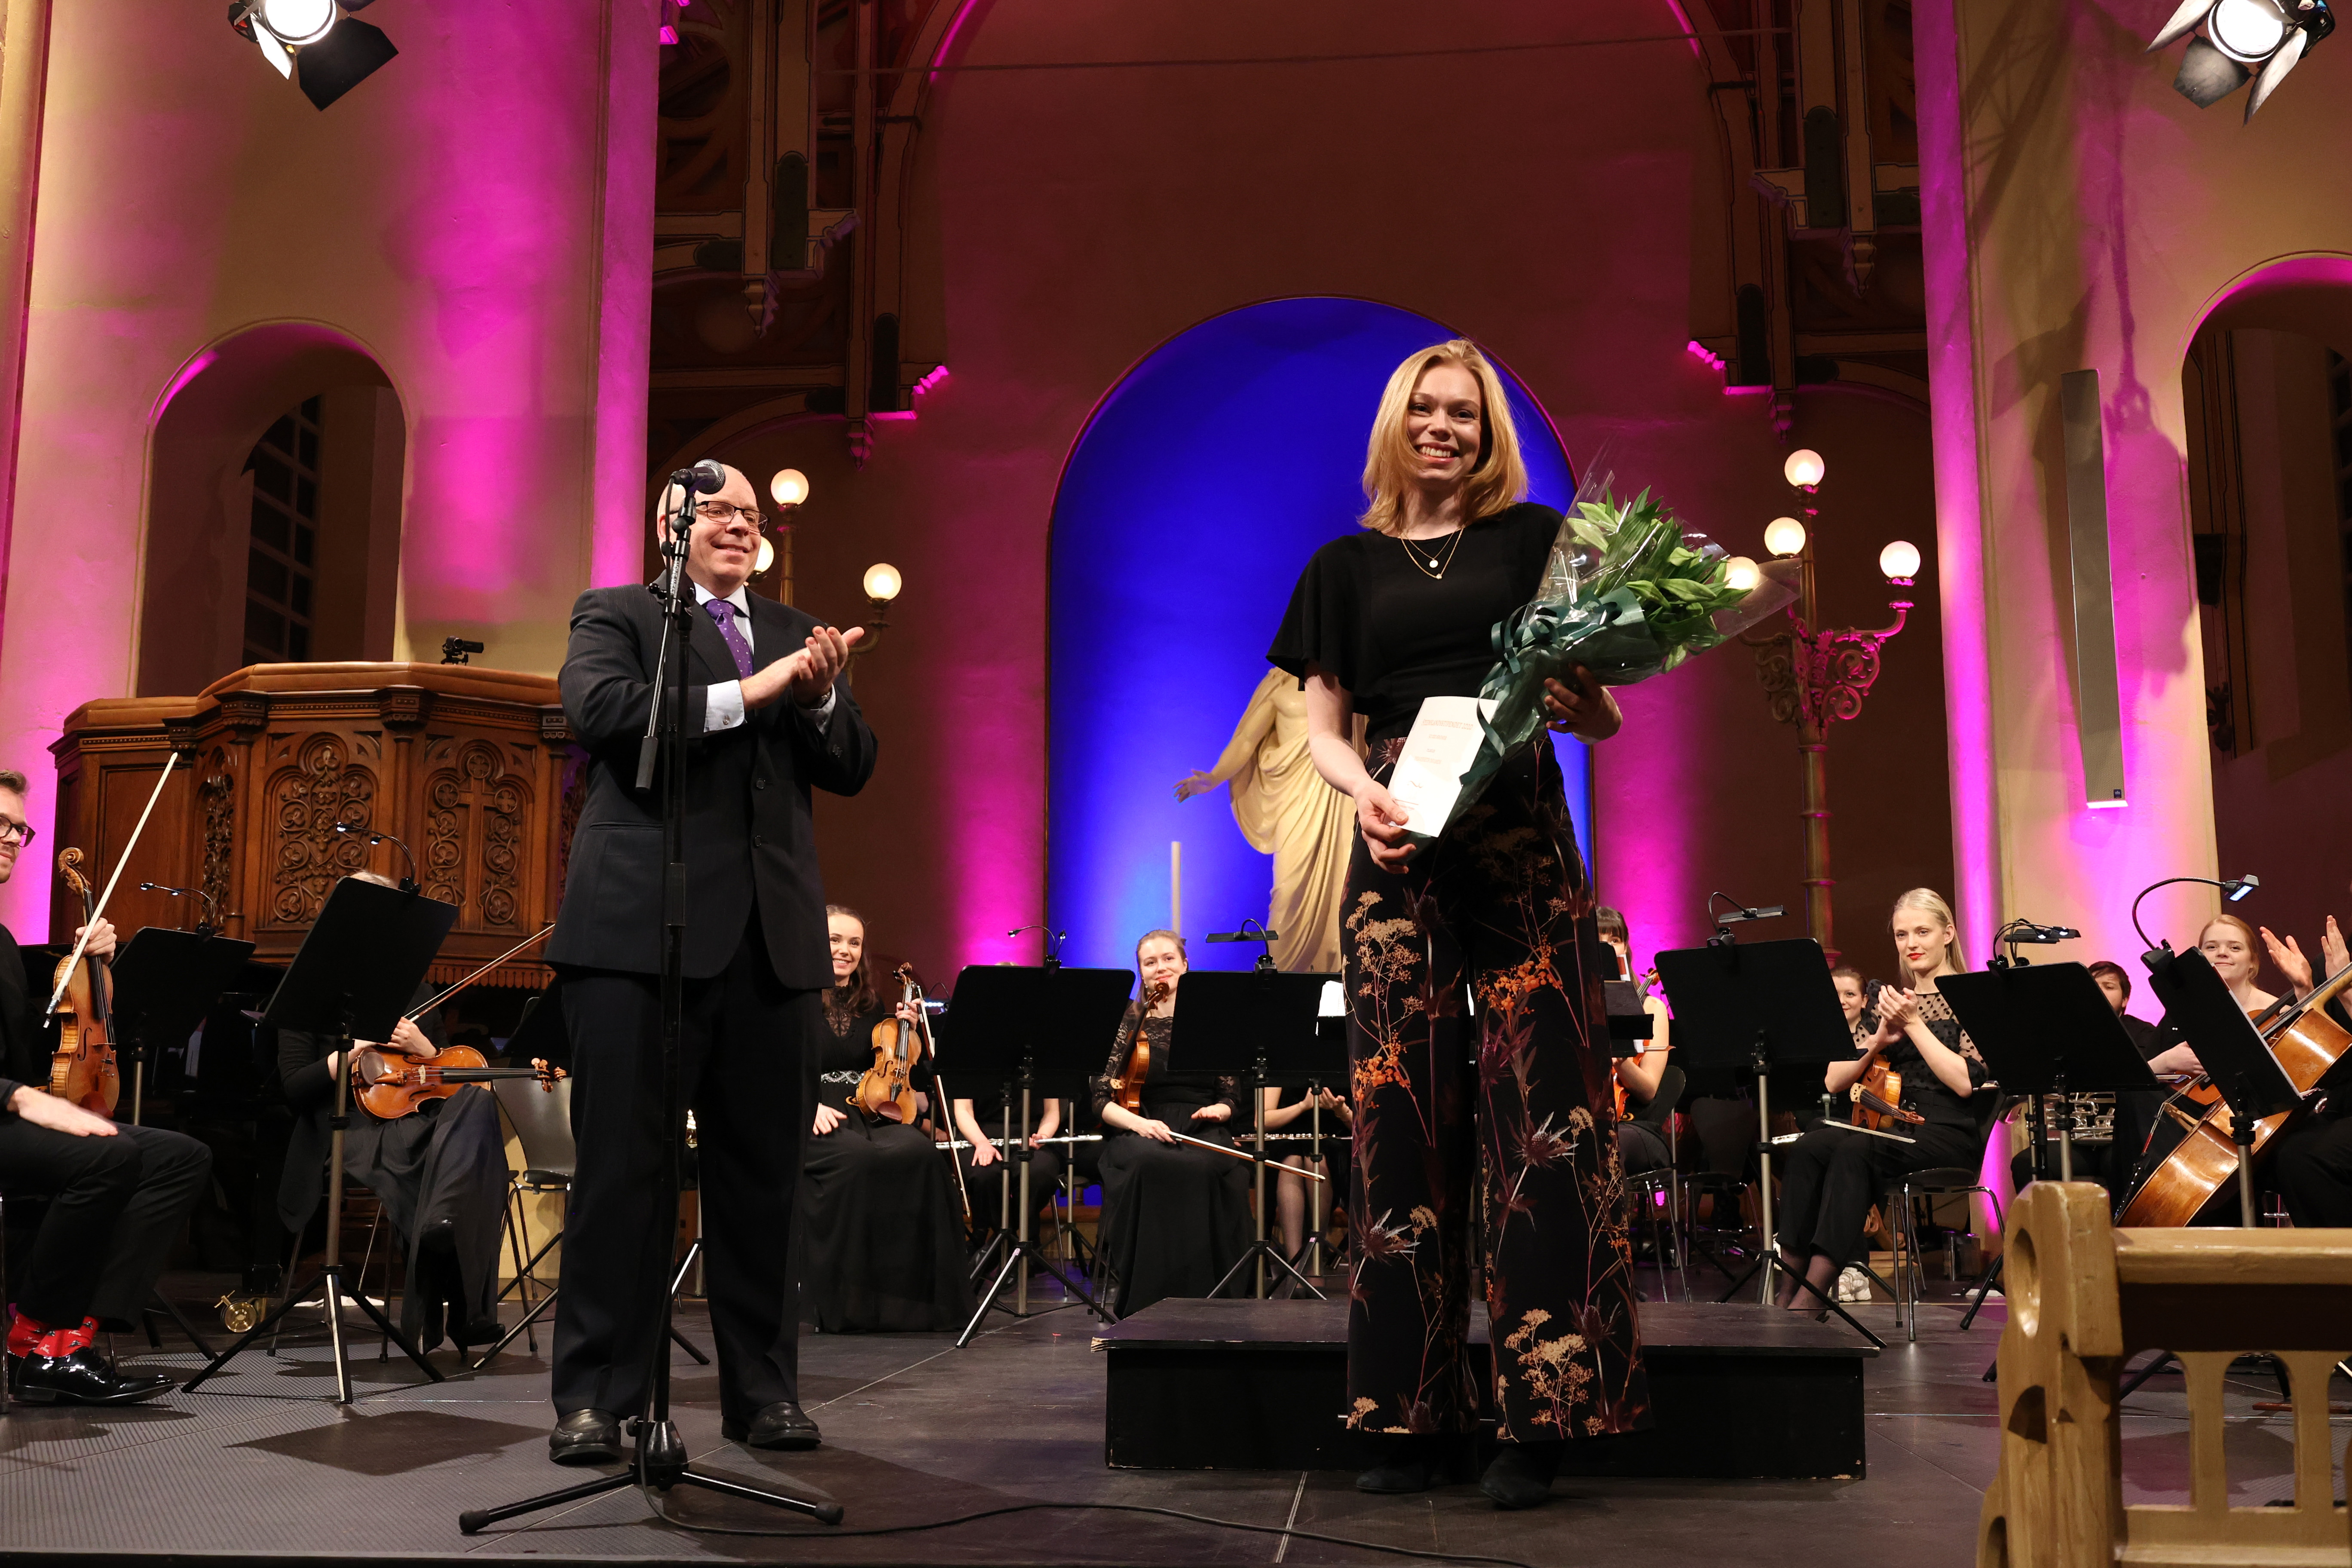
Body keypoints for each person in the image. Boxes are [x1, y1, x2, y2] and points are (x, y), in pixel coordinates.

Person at [1267, 338, 1648, 1510]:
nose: (1446, 428)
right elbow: (1322, 722)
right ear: (1398, 424)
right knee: (1398, 1120)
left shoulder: (1536, 543)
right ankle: (1405, 1413)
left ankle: (1543, 1416)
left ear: (1489, 436)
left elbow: (1603, 712)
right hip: (1395, 834)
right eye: (1427, 410)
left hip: (1521, 831)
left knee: (1550, 1125)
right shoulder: (1343, 564)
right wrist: (1355, 791)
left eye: (1467, 416)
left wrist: (1590, 704)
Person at [544, 463, 875, 1465]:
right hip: (638, 938)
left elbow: (853, 763)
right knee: (621, 1177)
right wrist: (760, 689)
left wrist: (815, 700)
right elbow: (601, 715)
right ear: (668, 526)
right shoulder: (615, 616)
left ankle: (763, 1393)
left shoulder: (796, 630)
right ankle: (598, 1399)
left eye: (750, 515)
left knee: (763, 1184)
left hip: (770, 946)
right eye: (719, 510)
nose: (740, 524)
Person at [0, 768, 211, 1404]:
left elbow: (32, 1047)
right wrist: (18, 1095)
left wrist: (86, 968)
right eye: (1, 824)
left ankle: (72, 1337)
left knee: (180, 1156)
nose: (13, 837)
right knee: (108, 1156)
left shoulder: (4, 941)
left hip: (10, 1110)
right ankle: (34, 1344)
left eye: (19, 828)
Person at [276, 879, 510, 1355]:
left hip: (412, 1118)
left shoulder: (414, 986)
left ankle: (443, 1225)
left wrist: (429, 1051)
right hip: (345, 1126)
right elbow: (294, 1086)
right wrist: (351, 1051)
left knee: (479, 1103)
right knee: (441, 1160)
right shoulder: (310, 986)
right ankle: (467, 1308)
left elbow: (439, 1081)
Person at [1771, 890, 1992, 1316]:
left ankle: (1814, 1295)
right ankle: (1788, 1288)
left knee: (1857, 1148)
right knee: (1811, 1144)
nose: (1912, 942)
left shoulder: (1969, 997)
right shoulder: (1888, 1002)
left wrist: (1914, 1024)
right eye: (1901, 934)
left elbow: (1965, 1083)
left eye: (1923, 932)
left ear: (1948, 934)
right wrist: (1877, 1041)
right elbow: (1835, 1079)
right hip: (1892, 1122)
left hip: (1947, 1130)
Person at [794, 907, 974, 1332]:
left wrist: (907, 1032)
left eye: (854, 943)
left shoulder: (872, 1003)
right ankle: (848, 1301)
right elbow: (770, 1066)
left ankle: (913, 1303)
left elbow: (895, 1071)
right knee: (858, 1160)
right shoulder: (792, 998)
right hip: (815, 1111)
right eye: (835, 940)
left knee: (920, 1153)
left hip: (868, 1109)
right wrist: (805, 1107)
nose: (844, 950)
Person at [1090, 931, 1251, 1315]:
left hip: (1203, 1125)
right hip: (1139, 1123)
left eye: (1168, 959)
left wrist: (1222, 1112)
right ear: (1141, 972)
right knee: (1152, 1162)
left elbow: (1232, 1095)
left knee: (1208, 1164)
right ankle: (1149, 1299)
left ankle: (1212, 1300)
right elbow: (1100, 1101)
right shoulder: (1128, 1020)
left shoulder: (1212, 1019)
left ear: (1185, 964)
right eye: (1150, 962)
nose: (1160, 968)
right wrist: (1137, 1125)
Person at [1174, 668, 1363, 974]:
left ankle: (1339, 976)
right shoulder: (1278, 683)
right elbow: (1247, 738)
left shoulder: (1347, 676)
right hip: (1296, 798)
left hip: (1341, 797)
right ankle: (1283, 981)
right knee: (1288, 893)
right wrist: (1213, 777)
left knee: (1343, 888)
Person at [2256, 912, 2352, 1226]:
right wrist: (2305, 990)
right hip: (2343, 1103)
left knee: (2307, 1157)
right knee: (2276, 1151)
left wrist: (2348, 995)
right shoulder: (2342, 958)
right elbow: (2332, 1054)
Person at [1597, 908, 1671, 1175]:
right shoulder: (1577, 1011)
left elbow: (1649, 1089)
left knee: (1610, 1143)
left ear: (1625, 945)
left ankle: (1614, 1219)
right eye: (1599, 940)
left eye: (1614, 940)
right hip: (1590, 1120)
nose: (1607, 947)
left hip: (1638, 1127)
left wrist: (1621, 1063)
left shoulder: (1651, 1007)